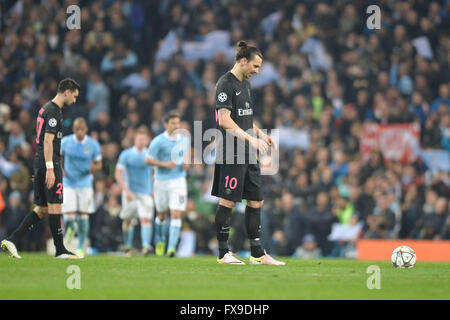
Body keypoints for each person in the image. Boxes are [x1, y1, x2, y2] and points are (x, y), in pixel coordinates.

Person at [211, 41, 284, 265]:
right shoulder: (225, 84)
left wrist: (260, 134)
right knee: (228, 201)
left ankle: (257, 253)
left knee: (256, 201)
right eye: (255, 66)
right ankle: (223, 253)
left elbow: (245, 119)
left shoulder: (246, 85)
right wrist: (251, 138)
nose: (257, 71)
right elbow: (224, 120)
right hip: (232, 151)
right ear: (243, 61)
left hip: (247, 150)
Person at [1, 78, 81, 259]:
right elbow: (47, 141)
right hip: (48, 163)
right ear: (67, 92)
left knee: (42, 209)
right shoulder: (54, 111)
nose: (74, 101)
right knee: (55, 206)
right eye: (74, 97)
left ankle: (12, 240)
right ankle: (60, 250)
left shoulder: (44, 108)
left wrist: (39, 169)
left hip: (40, 163)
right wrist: (50, 169)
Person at [145, 111, 190, 257]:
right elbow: (148, 160)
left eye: (178, 123)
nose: (176, 126)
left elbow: (187, 157)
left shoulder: (184, 139)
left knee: (176, 213)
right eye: (173, 123)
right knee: (162, 215)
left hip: (178, 180)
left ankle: (171, 248)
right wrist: (165, 164)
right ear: (166, 124)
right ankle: (161, 240)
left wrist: (187, 164)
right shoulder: (158, 141)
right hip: (161, 181)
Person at [61, 117, 102, 258]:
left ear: (86, 130)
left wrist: (93, 168)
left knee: (84, 215)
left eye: (81, 130)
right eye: (77, 129)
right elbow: (57, 155)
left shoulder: (93, 144)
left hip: (85, 182)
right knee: (68, 215)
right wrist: (60, 169)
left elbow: (99, 163)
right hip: (69, 182)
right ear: (73, 129)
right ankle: (71, 227)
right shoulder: (66, 142)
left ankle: (80, 248)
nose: (79, 132)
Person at [115, 126, 154, 256]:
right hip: (130, 192)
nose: (141, 141)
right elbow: (118, 174)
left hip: (145, 193)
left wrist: (153, 189)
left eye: (144, 139)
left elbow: (155, 173)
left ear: (147, 140)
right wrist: (125, 190)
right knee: (128, 219)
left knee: (146, 219)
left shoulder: (150, 155)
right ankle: (127, 246)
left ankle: (145, 247)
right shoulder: (126, 154)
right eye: (139, 139)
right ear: (135, 139)